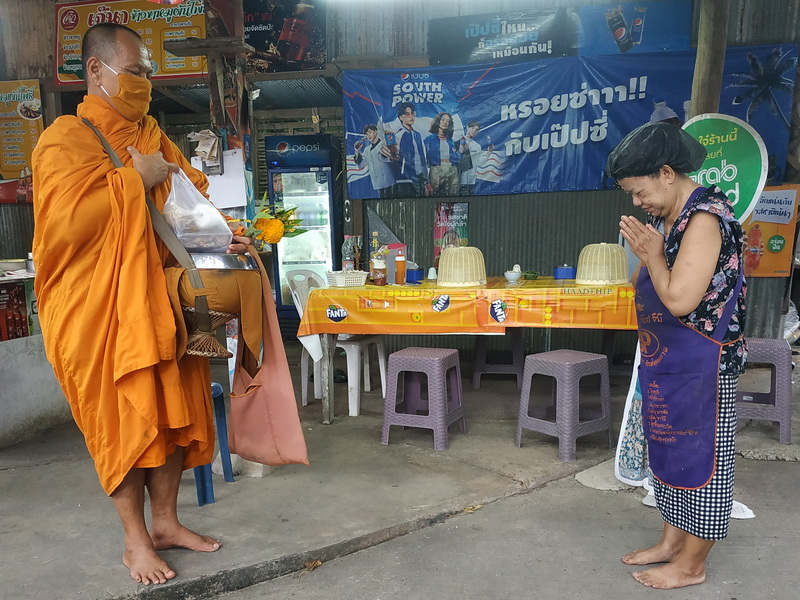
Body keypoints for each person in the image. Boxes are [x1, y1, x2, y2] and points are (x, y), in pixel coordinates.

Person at [31, 23, 250, 586]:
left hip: (163, 300)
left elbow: (191, 200)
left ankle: (168, 523)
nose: (145, 82)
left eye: (148, 72)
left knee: (173, 414)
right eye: (134, 71)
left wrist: (226, 232)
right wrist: (133, 179)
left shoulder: (152, 133)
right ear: (96, 71)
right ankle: (135, 542)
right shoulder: (63, 140)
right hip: (99, 308)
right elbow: (64, 229)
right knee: (127, 420)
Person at [607, 122, 746, 590]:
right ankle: (672, 543)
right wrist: (646, 254)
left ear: (667, 173)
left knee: (703, 463)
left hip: (704, 366)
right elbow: (647, 283)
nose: (636, 202)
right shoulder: (669, 219)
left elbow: (682, 300)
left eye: (640, 191)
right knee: (668, 451)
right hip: (668, 362)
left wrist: (652, 256)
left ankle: (691, 565)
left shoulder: (704, 218)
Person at [393, 102, 427, 196]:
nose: (411, 116)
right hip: (406, 176)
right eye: (407, 114)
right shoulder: (398, 135)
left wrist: (426, 177)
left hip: (420, 174)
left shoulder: (418, 135)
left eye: (413, 113)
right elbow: (393, 157)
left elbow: (423, 156)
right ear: (401, 117)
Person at [353, 124, 395, 198]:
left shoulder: (384, 144)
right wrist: (357, 151)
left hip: (389, 183)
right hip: (377, 184)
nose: (368, 135)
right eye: (366, 134)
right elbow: (361, 164)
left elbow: (389, 157)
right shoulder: (367, 150)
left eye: (370, 132)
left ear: (375, 132)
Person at [423, 112, 460, 196]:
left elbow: (456, 158)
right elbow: (424, 157)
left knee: (452, 193)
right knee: (434, 193)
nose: (445, 123)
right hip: (436, 168)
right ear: (438, 121)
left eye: (448, 121)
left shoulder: (450, 141)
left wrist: (459, 152)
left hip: (451, 168)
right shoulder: (429, 139)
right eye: (443, 120)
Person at [457, 120, 492, 195]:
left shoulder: (477, 146)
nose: (474, 131)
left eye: (476, 130)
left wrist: (488, 153)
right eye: (472, 128)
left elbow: (479, 163)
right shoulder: (458, 142)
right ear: (467, 127)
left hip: (470, 181)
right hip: (457, 179)